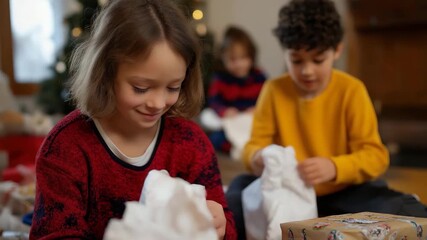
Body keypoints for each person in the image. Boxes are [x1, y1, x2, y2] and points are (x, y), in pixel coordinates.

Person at [30, 0, 237, 239]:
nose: (158, 103)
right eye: (141, 88)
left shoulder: (191, 143)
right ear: (105, 73)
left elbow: (227, 225)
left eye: (173, 87)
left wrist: (220, 226)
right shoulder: (65, 148)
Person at [225, 0, 427, 239]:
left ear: (337, 50)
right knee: (236, 191)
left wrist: (334, 167)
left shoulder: (351, 90)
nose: (307, 70)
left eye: (318, 60)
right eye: (297, 61)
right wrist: (258, 157)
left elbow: (375, 156)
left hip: (343, 191)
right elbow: (252, 147)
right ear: (285, 54)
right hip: (287, 192)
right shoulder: (273, 90)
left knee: (407, 210)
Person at [200, 26, 267, 153]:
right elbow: (214, 101)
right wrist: (224, 111)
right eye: (232, 59)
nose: (238, 64)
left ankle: (243, 146)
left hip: (251, 119)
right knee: (210, 125)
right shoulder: (220, 78)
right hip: (230, 119)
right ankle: (237, 146)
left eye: (243, 58)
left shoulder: (259, 77)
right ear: (223, 58)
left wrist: (257, 110)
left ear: (251, 57)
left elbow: (267, 101)